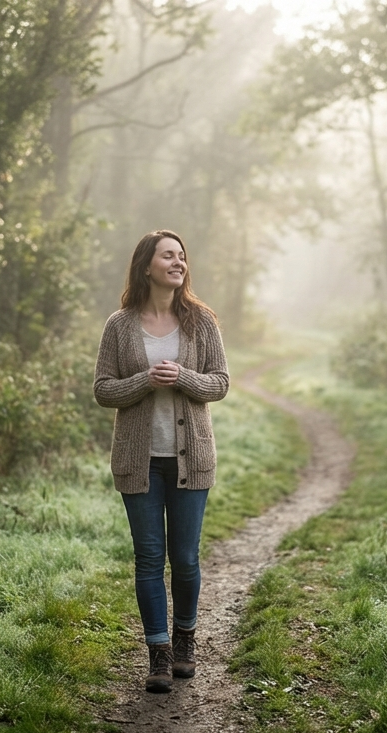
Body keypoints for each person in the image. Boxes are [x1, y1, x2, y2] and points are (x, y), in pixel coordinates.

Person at [94, 230, 228, 693]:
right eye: (168, 255)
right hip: (139, 461)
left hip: (192, 462)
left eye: (182, 256)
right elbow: (103, 388)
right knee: (149, 558)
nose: (178, 262)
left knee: (185, 558)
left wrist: (184, 377)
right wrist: (144, 382)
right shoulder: (119, 325)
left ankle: (186, 639)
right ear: (146, 265)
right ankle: (158, 652)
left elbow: (220, 383)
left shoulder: (202, 321)